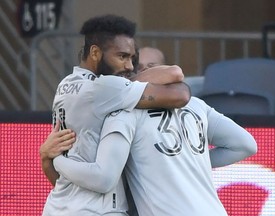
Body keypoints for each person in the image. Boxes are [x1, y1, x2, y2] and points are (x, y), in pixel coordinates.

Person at [41, 14, 191, 216]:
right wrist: (131, 81)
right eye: (122, 56)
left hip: (58, 206)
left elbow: (59, 178)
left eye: (132, 58)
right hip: (95, 211)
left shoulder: (66, 84)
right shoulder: (104, 87)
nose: (129, 66)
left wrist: (46, 159)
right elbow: (179, 92)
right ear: (95, 52)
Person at [53, 96, 257, 215]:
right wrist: (189, 161)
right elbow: (245, 145)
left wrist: (56, 160)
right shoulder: (194, 104)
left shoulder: (126, 112)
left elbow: (103, 179)